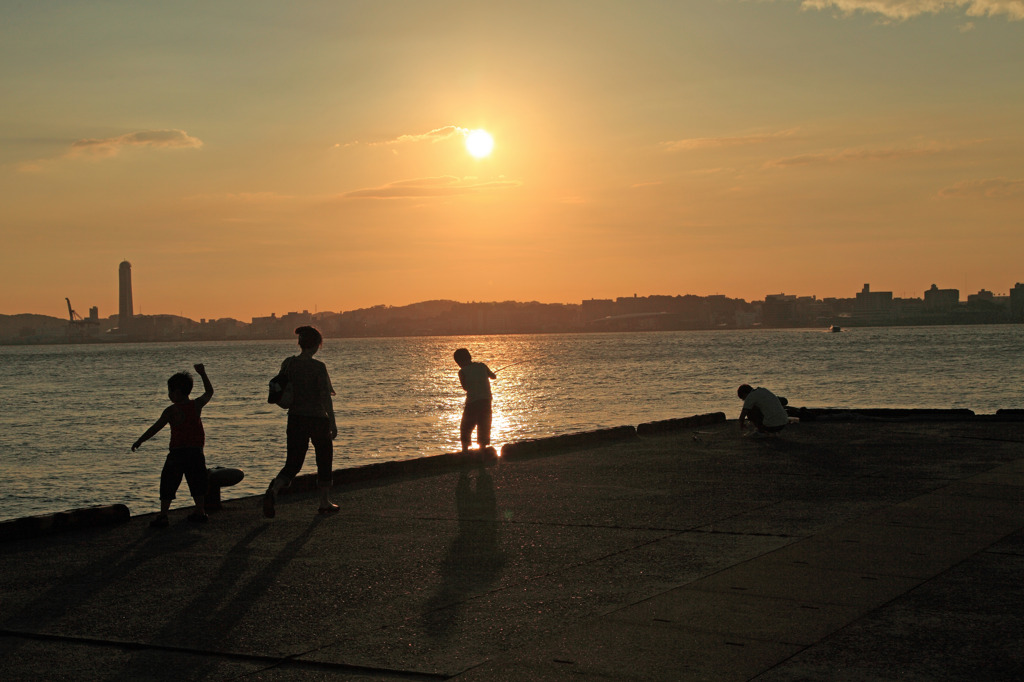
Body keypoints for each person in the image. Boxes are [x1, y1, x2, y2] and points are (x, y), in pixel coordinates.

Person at [263, 326, 339, 518]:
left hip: (295, 418)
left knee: (293, 462)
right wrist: (333, 421)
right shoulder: (318, 367)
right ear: (316, 345)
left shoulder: (288, 364)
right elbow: (325, 397)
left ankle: (274, 489)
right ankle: (324, 502)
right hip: (318, 419)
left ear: (300, 343)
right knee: (324, 459)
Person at [132, 364, 214, 527]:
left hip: (177, 453)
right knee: (197, 482)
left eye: (170, 391)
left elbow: (155, 428)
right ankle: (200, 511)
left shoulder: (171, 411)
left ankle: (163, 515)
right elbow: (209, 392)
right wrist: (203, 374)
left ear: (177, 392)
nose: (169, 395)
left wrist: (141, 440)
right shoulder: (196, 406)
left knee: (168, 483)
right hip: (195, 452)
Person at [454, 348, 496, 452]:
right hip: (486, 401)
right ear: (470, 357)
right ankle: (482, 451)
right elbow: (493, 376)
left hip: (472, 403)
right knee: (484, 425)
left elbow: (465, 387)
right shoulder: (482, 366)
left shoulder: (462, 372)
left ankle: (465, 451)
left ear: (459, 362)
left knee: (466, 427)